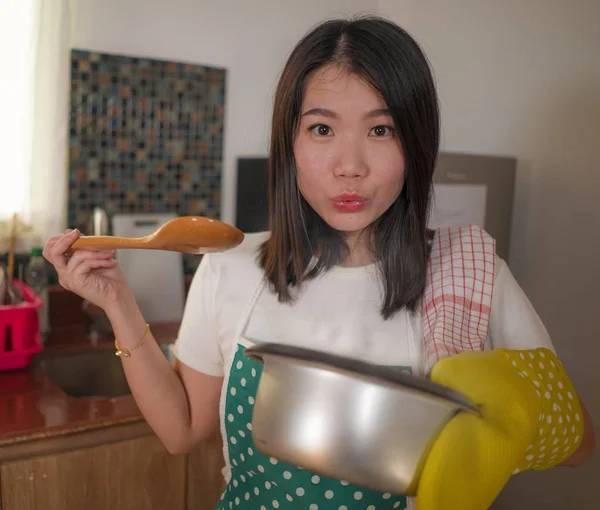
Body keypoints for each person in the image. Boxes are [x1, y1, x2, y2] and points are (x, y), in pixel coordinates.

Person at [44, 15, 594, 510]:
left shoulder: (471, 275)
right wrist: (117, 302)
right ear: (290, 143)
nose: (349, 166)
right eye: (322, 129)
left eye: (382, 130)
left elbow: (579, 443)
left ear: (416, 146)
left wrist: (498, 408)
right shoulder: (230, 265)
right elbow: (182, 428)